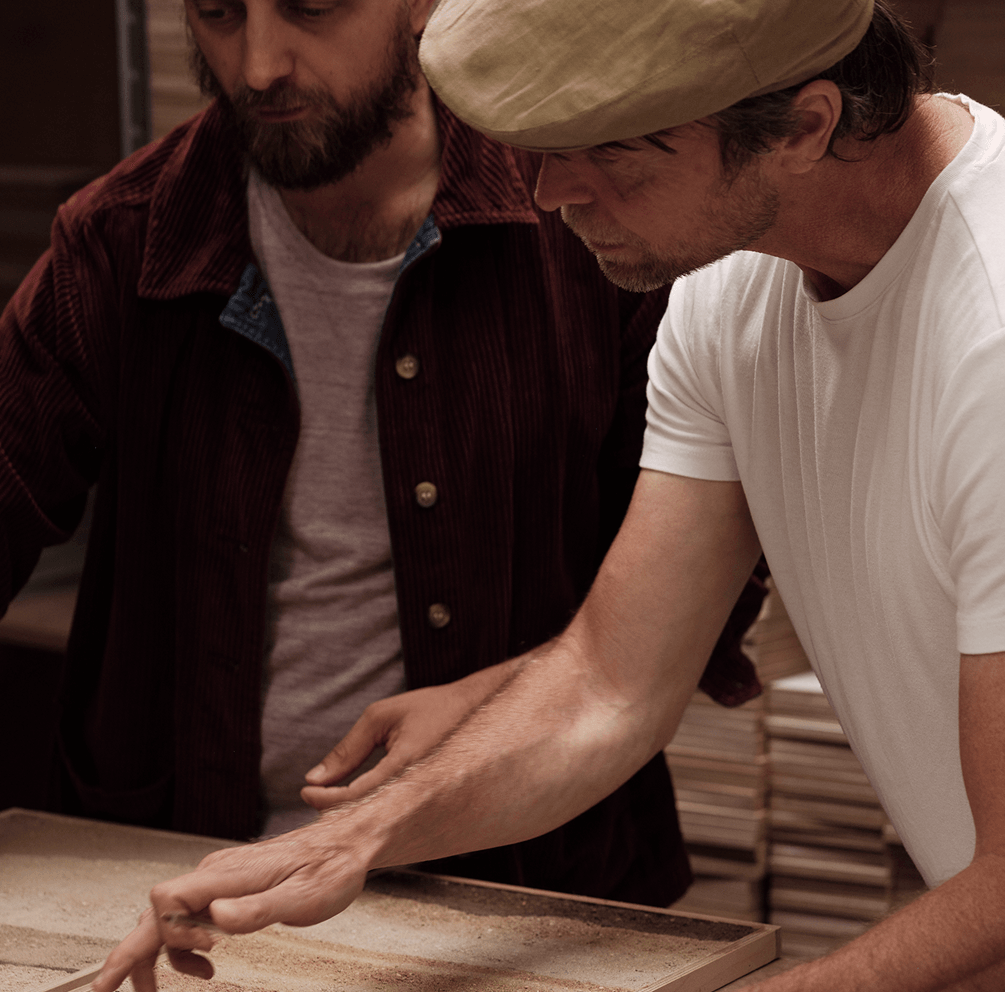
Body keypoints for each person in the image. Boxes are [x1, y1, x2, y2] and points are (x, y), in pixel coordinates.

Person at [96, 0, 1005, 992]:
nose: (550, 189)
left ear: (802, 125)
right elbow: (609, 681)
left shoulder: (991, 325)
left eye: (614, 149)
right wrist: (349, 838)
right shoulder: (733, 293)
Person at [0, 0, 764, 906]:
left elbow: (701, 595)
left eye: (312, 6)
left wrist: (503, 701)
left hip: (533, 890)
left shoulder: (587, 215)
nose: (259, 65)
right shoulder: (120, 241)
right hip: (189, 882)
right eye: (218, 12)